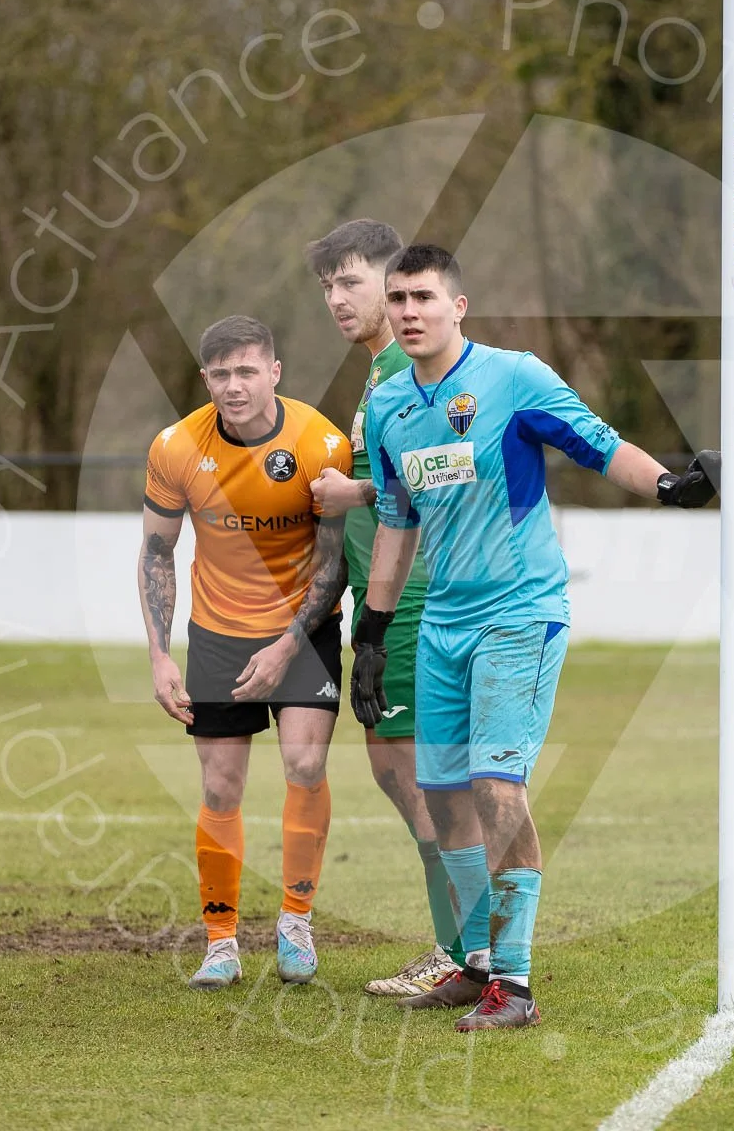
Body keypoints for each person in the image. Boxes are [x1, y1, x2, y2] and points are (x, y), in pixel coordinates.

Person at [352, 244, 719, 1030]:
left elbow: (595, 441)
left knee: (495, 789)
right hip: (442, 621)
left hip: (519, 611)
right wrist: (372, 632)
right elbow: (394, 519)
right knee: (444, 797)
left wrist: (667, 485)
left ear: (459, 306)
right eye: (398, 299)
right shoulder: (388, 408)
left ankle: (514, 986)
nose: (408, 311)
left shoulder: (514, 376)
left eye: (422, 297)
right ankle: (473, 965)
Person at [139, 314, 351, 990]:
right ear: (206, 379)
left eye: (247, 371)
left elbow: (334, 562)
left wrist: (288, 646)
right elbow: (156, 552)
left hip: (304, 628)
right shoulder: (175, 447)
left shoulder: (321, 442)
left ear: (275, 372)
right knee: (220, 785)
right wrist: (160, 655)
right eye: (221, 374)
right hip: (218, 634)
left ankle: (295, 921)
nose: (235, 386)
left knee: (305, 761)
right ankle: (221, 941)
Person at [302, 218, 463, 998]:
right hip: (388, 605)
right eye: (328, 285)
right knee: (408, 774)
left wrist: (349, 490)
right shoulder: (380, 373)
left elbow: (442, 474)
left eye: (351, 281)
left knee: (417, 777)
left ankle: (462, 952)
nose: (337, 298)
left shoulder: (410, 365)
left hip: (417, 600)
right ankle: (471, 946)